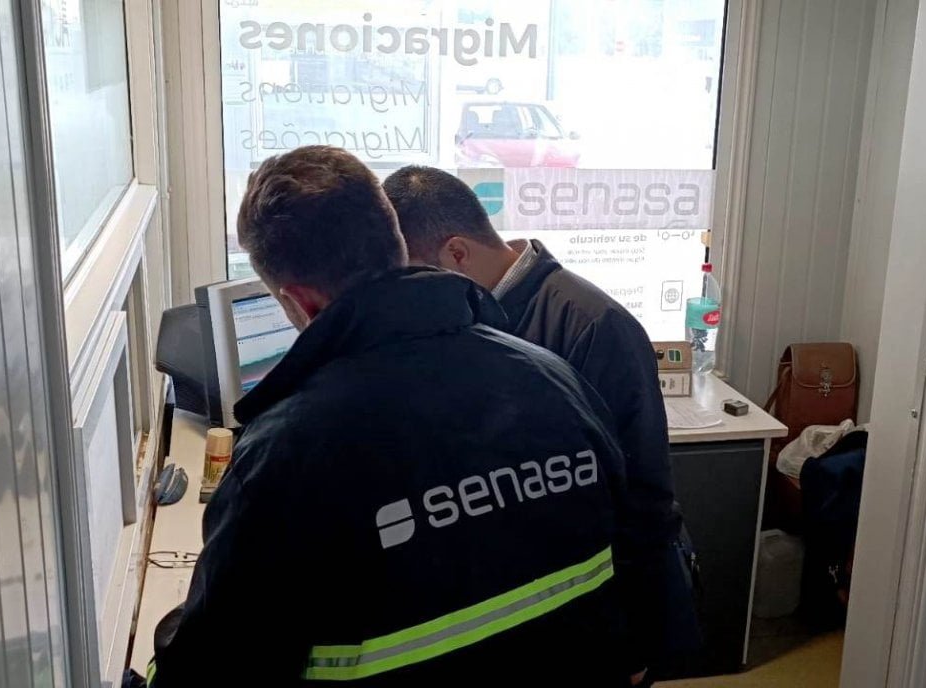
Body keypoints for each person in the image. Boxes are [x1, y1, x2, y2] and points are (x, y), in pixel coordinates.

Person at [145, 146, 653, 687]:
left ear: (298, 304)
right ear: (396, 244)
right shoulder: (555, 379)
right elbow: (631, 549)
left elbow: (210, 668)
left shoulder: (285, 455)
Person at [384, 166, 702, 682]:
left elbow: (642, 493)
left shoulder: (594, 325)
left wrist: (634, 639)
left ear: (457, 253)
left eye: (415, 274)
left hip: (601, 610)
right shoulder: (468, 317)